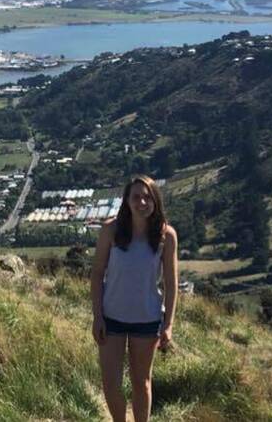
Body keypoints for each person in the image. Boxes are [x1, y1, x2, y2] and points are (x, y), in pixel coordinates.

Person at [90, 175, 178, 422]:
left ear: (155, 201)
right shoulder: (111, 230)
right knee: (110, 383)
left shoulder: (166, 236)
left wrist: (168, 325)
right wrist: (97, 316)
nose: (142, 202)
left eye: (147, 196)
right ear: (127, 201)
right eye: (136, 197)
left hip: (147, 320)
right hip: (111, 317)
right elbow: (97, 274)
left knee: (142, 383)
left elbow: (171, 285)